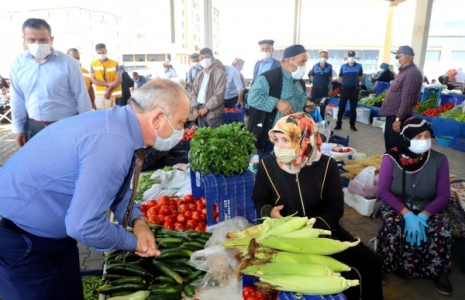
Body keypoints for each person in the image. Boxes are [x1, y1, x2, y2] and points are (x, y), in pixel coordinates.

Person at [0, 79, 190, 299]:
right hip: (20, 242)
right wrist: (131, 242)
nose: (182, 131)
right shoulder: (112, 142)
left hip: (50, 237)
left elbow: (116, 188)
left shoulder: (118, 125)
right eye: (180, 122)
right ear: (157, 118)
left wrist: (137, 221)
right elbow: (84, 226)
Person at [252, 112, 384, 300]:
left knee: (370, 262)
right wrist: (269, 211)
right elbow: (259, 199)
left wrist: (314, 229)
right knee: (328, 277)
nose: (279, 147)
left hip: (324, 232)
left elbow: (335, 207)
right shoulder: (268, 165)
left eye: (286, 140)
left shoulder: (325, 165)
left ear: (305, 139)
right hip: (286, 239)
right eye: (277, 140)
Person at [374, 117, 453, 296]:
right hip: (395, 203)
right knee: (392, 224)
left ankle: (438, 272)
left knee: (441, 228)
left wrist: (424, 215)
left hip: (428, 205)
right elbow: (384, 192)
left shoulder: (440, 160)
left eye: (426, 136)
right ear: (406, 138)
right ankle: (384, 265)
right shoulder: (391, 157)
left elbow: (444, 196)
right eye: (417, 137)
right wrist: (407, 214)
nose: (423, 140)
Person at [9, 18, 91, 147]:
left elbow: (81, 96)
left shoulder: (69, 63)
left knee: (66, 164)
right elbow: (18, 98)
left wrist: (86, 126)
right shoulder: (17, 64)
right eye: (31, 40)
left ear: (51, 39)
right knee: (38, 165)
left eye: (43, 40)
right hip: (34, 128)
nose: (37, 44)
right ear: (24, 40)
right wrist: (18, 129)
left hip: (66, 126)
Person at [247, 44, 308, 159]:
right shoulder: (269, 78)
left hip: (293, 137)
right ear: (288, 61)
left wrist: (306, 106)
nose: (304, 66)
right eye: (302, 62)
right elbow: (252, 98)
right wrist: (276, 103)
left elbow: (301, 103)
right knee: (268, 169)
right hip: (271, 139)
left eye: (305, 62)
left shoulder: (300, 82)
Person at [379, 45, 423, 151]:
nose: (397, 59)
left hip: (397, 116)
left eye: (398, 57)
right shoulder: (404, 72)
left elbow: (407, 99)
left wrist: (398, 119)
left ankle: (395, 165)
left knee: (394, 146)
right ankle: (391, 164)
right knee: (390, 144)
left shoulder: (411, 73)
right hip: (393, 115)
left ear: (407, 57)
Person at [190, 47, 226, 128]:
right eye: (202, 58)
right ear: (199, 58)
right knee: (202, 136)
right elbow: (193, 93)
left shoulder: (220, 73)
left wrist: (206, 108)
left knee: (214, 138)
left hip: (213, 113)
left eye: (207, 57)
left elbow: (219, 94)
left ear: (212, 59)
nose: (204, 60)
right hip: (199, 111)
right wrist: (194, 108)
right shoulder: (198, 75)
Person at [334, 50, 363, 132]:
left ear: (354, 57)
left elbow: (361, 77)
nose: (351, 58)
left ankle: (352, 125)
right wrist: (344, 82)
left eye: (353, 56)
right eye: (350, 56)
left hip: (354, 90)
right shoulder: (343, 66)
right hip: (344, 90)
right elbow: (340, 78)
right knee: (341, 108)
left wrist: (356, 83)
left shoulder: (359, 66)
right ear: (347, 57)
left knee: (353, 109)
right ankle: (338, 124)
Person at [91, 43, 123, 108]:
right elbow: (93, 80)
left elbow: (119, 79)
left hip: (115, 95)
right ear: (96, 53)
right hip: (100, 96)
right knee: (101, 115)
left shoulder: (114, 63)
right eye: (99, 53)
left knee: (115, 116)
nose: (101, 55)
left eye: (103, 52)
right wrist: (107, 84)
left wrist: (108, 90)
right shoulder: (93, 64)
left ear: (106, 51)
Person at [308, 50, 333, 118]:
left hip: (324, 90)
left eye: (325, 56)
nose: (323, 57)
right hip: (315, 89)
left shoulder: (329, 67)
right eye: (322, 56)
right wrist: (314, 85)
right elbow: (312, 77)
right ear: (319, 56)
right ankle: (311, 119)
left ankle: (321, 120)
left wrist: (330, 88)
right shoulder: (315, 66)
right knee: (312, 104)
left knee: (323, 105)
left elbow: (330, 78)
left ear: (327, 57)